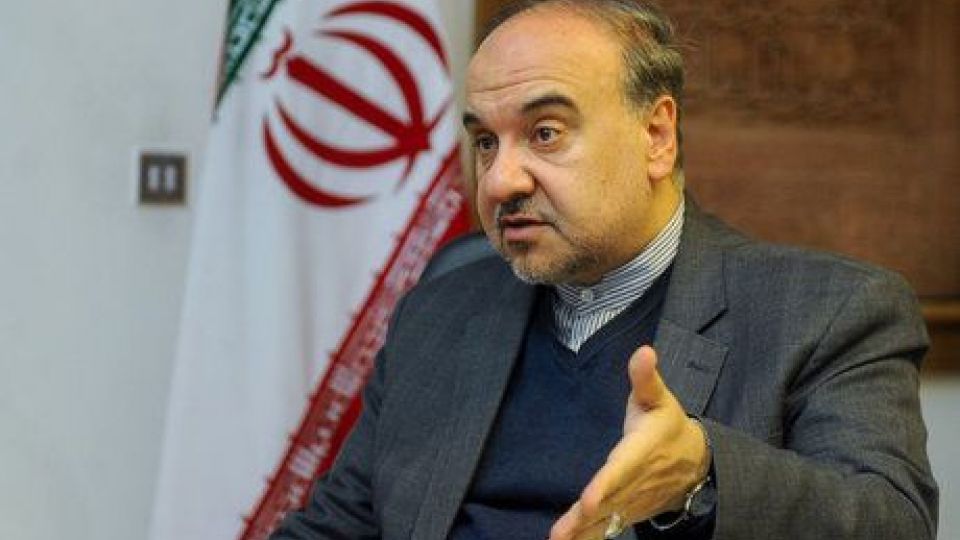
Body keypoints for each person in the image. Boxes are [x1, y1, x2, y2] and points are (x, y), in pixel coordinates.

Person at [270, 1, 939, 538]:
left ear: (657, 136)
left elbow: (892, 523)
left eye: (545, 132)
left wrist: (702, 477)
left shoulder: (828, 310)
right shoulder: (440, 311)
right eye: (484, 141)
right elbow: (338, 524)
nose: (499, 181)